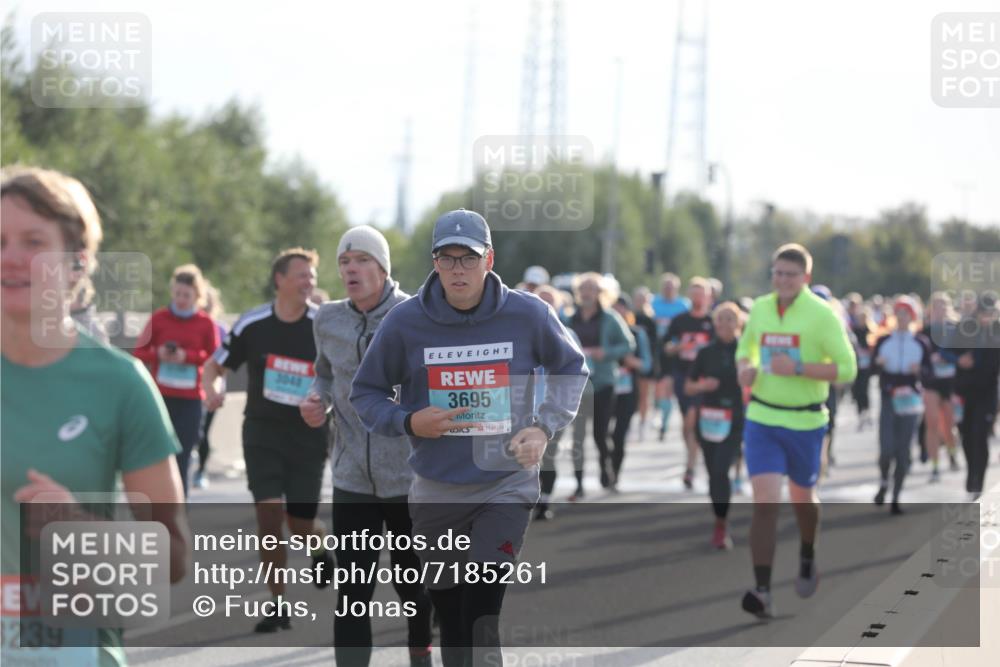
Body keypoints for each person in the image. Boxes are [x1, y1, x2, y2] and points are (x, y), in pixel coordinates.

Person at [350, 209, 588, 667]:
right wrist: (408, 422)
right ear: (434, 261)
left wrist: (543, 425)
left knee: (481, 612)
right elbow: (366, 393)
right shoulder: (405, 323)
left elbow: (571, 369)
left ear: (489, 259)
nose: (458, 269)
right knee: (454, 618)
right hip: (437, 488)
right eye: (448, 258)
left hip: (505, 483)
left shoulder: (529, 314)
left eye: (469, 258)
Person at [1, 165, 189, 667]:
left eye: (33, 241)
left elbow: (173, 559)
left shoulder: (120, 384)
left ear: (76, 264)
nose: (10, 257)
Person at [299, 226, 434, 667]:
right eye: (344, 261)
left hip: (409, 476)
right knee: (353, 590)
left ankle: (420, 648)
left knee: (412, 581)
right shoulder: (328, 318)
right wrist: (319, 400)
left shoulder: (415, 314)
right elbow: (324, 373)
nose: (350, 269)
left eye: (360, 260)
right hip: (352, 474)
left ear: (382, 267)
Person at [202, 247, 335, 633]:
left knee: (300, 522)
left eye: (312, 276)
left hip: (308, 435)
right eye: (301, 275)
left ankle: (320, 548)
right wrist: (212, 389)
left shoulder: (322, 325)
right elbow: (214, 365)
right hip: (262, 432)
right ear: (280, 279)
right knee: (269, 516)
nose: (309, 282)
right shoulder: (253, 324)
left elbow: (342, 374)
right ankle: (277, 604)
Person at [736, 243, 856, 619]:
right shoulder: (759, 308)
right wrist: (746, 369)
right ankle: (762, 591)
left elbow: (847, 369)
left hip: (805, 421)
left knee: (804, 500)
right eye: (777, 273)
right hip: (763, 418)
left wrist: (800, 368)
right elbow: (745, 350)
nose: (782, 280)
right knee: (765, 504)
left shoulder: (822, 316)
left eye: (789, 274)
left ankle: (807, 552)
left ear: (805, 278)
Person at [133, 264, 220, 496]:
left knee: (181, 457)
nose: (181, 300)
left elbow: (216, 359)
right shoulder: (159, 319)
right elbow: (137, 353)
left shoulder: (205, 324)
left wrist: (188, 357)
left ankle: (179, 513)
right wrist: (157, 354)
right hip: (160, 397)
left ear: (197, 296)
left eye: (187, 295)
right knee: (156, 456)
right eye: (178, 294)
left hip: (190, 401)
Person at [565, 272, 635, 498]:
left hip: (603, 382)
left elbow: (628, 344)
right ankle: (578, 483)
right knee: (577, 436)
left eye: (591, 288)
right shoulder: (569, 319)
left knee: (600, 433)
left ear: (599, 293)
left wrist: (605, 353)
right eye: (583, 288)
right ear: (578, 293)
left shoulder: (610, 318)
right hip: (577, 385)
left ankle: (607, 470)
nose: (586, 292)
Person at [686, 301, 745, 550]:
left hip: (734, 418)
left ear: (738, 323)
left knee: (722, 470)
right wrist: (702, 386)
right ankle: (719, 518)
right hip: (708, 418)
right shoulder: (705, 352)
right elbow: (688, 386)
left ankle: (721, 525)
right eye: (720, 319)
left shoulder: (745, 351)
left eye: (730, 319)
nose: (724, 324)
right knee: (713, 474)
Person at [871, 297, 932, 514]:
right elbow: (869, 366)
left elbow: (929, 371)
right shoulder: (884, 340)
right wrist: (877, 364)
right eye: (898, 312)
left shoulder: (921, 342)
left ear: (913, 316)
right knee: (886, 448)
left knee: (903, 450)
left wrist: (920, 371)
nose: (902, 317)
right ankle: (884, 482)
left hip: (910, 400)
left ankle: (896, 495)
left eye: (906, 313)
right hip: (889, 397)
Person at [663, 277, 715, 489]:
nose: (697, 298)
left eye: (701, 294)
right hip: (683, 376)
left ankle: (690, 467)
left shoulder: (713, 322)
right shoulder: (680, 321)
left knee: (693, 422)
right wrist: (678, 348)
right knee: (687, 425)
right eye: (693, 294)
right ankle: (692, 454)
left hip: (704, 379)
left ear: (708, 297)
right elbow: (666, 347)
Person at [951, 297, 1000, 500]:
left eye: (992, 314)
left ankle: (978, 481)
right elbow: (945, 351)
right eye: (984, 314)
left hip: (988, 393)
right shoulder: (965, 329)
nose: (987, 318)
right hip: (964, 392)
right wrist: (959, 360)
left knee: (980, 436)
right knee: (966, 437)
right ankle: (971, 473)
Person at [610, 294, 653, 489]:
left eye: (621, 310)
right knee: (602, 434)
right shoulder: (605, 334)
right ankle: (606, 466)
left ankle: (615, 473)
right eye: (614, 310)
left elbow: (646, 365)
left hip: (628, 391)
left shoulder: (637, 334)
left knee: (619, 434)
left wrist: (630, 361)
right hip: (606, 390)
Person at [921, 291, 961, 481]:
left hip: (951, 382)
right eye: (936, 306)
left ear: (949, 308)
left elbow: (963, 356)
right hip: (931, 382)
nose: (940, 310)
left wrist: (946, 357)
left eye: (943, 306)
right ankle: (935, 466)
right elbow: (918, 355)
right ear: (931, 310)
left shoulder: (956, 329)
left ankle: (952, 452)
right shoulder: (924, 331)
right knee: (932, 422)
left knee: (948, 423)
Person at [193, 281, 227, 490]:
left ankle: (200, 470)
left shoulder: (221, 330)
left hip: (212, 387)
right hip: (190, 387)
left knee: (203, 432)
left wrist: (214, 387)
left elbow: (223, 363)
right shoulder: (189, 326)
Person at [651, 273, 690, 441]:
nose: (668, 290)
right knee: (661, 387)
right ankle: (663, 420)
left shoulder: (683, 305)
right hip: (658, 350)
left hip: (677, 352)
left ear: (677, 288)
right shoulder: (654, 303)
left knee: (670, 387)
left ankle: (667, 423)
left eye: (671, 287)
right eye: (665, 287)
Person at [632, 286, 659, 440]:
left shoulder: (651, 320)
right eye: (638, 299)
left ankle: (642, 423)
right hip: (632, 362)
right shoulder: (631, 317)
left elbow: (655, 345)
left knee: (644, 395)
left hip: (646, 362)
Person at [847, 295, 875, 431]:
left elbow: (873, 348)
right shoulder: (854, 331)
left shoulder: (871, 331)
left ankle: (867, 411)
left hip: (867, 366)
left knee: (865, 389)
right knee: (857, 390)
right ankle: (860, 413)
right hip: (857, 365)